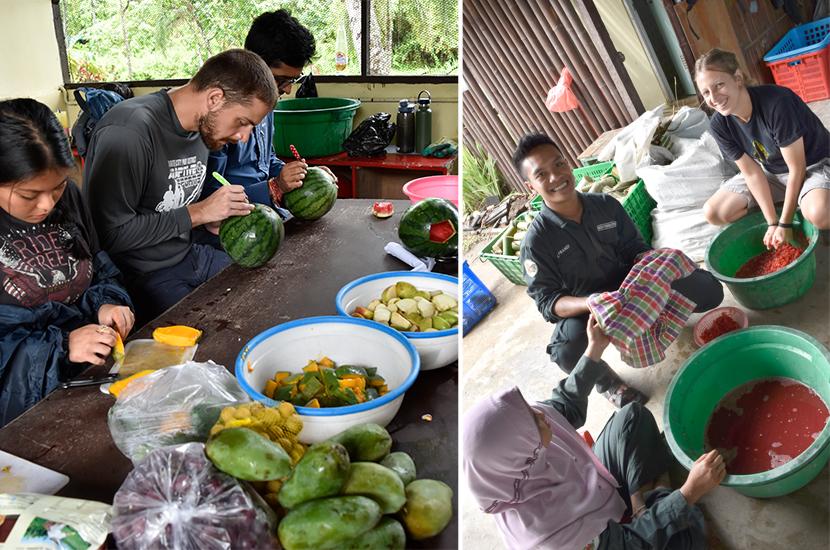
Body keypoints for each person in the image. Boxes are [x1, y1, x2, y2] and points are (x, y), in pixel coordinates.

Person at [463, 315, 725, 549]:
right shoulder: (549, 538)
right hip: (610, 542)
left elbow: (563, 403)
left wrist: (594, 348)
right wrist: (689, 492)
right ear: (522, 456)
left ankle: (640, 503)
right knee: (686, 534)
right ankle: (654, 501)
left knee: (631, 418)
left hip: (596, 493)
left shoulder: (518, 461)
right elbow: (630, 544)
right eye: (534, 420)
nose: (542, 414)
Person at [514, 133, 723, 407]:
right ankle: (608, 383)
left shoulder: (605, 205)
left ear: (568, 164)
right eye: (542, 174)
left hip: (631, 284)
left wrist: (654, 275)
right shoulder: (537, 242)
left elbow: (636, 248)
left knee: (710, 292)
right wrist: (591, 302)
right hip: (592, 308)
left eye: (559, 164)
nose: (555, 177)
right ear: (531, 187)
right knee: (565, 351)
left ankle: (658, 315)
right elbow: (548, 303)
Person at [83, 49, 278, 323]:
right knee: (221, 332)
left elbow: (171, 206)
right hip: (141, 275)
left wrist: (211, 219)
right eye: (242, 122)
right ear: (214, 98)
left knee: (271, 292)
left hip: (188, 253)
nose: (244, 137)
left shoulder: (203, 129)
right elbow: (108, 236)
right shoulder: (128, 132)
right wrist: (198, 213)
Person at [0, 99, 134, 426]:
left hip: (88, 372)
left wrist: (107, 303)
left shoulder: (69, 198)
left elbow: (98, 268)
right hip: (22, 404)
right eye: (29, 195)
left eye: (57, 187)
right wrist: (60, 346)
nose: (47, 204)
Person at [201, 9, 337, 228]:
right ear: (255, 65)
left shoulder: (268, 102)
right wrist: (273, 187)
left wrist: (298, 175)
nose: (288, 89)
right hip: (237, 224)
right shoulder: (220, 114)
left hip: (271, 213)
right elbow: (209, 194)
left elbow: (266, 161)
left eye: (294, 79)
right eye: (281, 79)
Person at [695, 48, 830, 249]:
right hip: (771, 171)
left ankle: (806, 205)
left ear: (738, 79)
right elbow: (751, 173)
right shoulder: (719, 124)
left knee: (819, 215)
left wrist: (784, 223)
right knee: (715, 212)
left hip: (813, 165)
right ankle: (794, 207)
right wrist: (773, 222)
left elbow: (797, 168)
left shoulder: (776, 103)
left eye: (719, 85)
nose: (714, 97)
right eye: (706, 92)